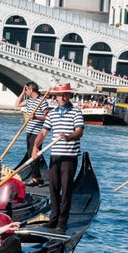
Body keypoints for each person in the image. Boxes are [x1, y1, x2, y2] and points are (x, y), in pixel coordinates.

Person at [32, 83, 84, 231]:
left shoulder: (76, 112)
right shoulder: (52, 114)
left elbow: (79, 132)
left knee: (66, 189)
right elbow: (43, 133)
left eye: (65, 95)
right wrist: (35, 147)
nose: (62, 98)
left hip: (70, 156)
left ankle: (63, 221)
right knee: (53, 188)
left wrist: (68, 137)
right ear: (56, 97)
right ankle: (54, 218)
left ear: (69, 96)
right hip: (55, 156)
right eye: (60, 95)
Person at [14, 81, 51, 186]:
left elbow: (47, 117)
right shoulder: (29, 101)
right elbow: (17, 104)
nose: (26, 92)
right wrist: (22, 93)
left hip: (38, 132)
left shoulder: (42, 101)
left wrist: (36, 117)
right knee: (31, 154)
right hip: (29, 131)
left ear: (31, 90)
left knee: (33, 155)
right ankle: (37, 177)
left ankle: (36, 178)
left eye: (26, 90)